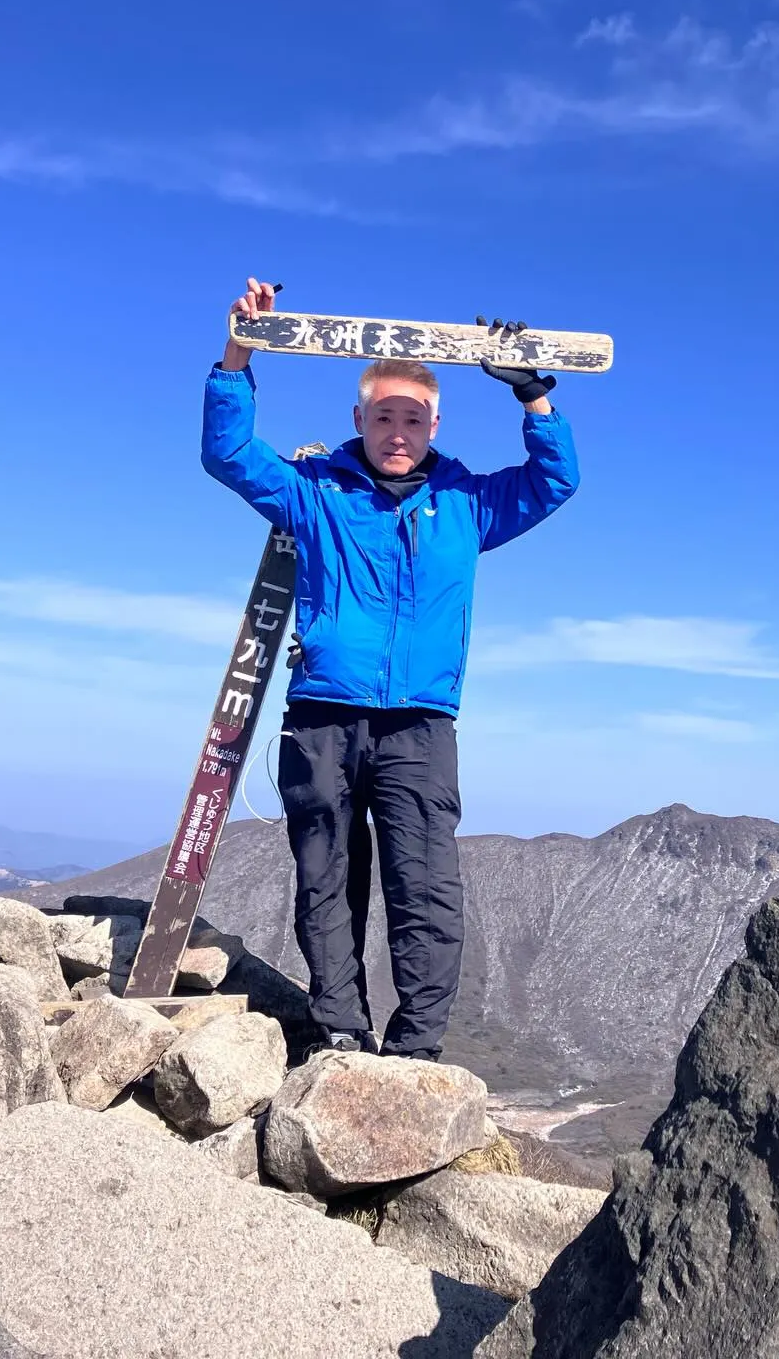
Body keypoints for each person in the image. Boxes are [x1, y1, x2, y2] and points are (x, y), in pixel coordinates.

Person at [202, 277, 579, 1061]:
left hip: (420, 722)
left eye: (412, 418)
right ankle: (341, 1030)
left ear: (434, 423)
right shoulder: (315, 494)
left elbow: (555, 482)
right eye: (384, 417)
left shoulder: (468, 505)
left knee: (427, 888)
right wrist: (242, 346)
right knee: (327, 882)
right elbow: (229, 453)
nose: (398, 431)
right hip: (323, 717)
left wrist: (534, 398)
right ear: (359, 420)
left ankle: (416, 1049)